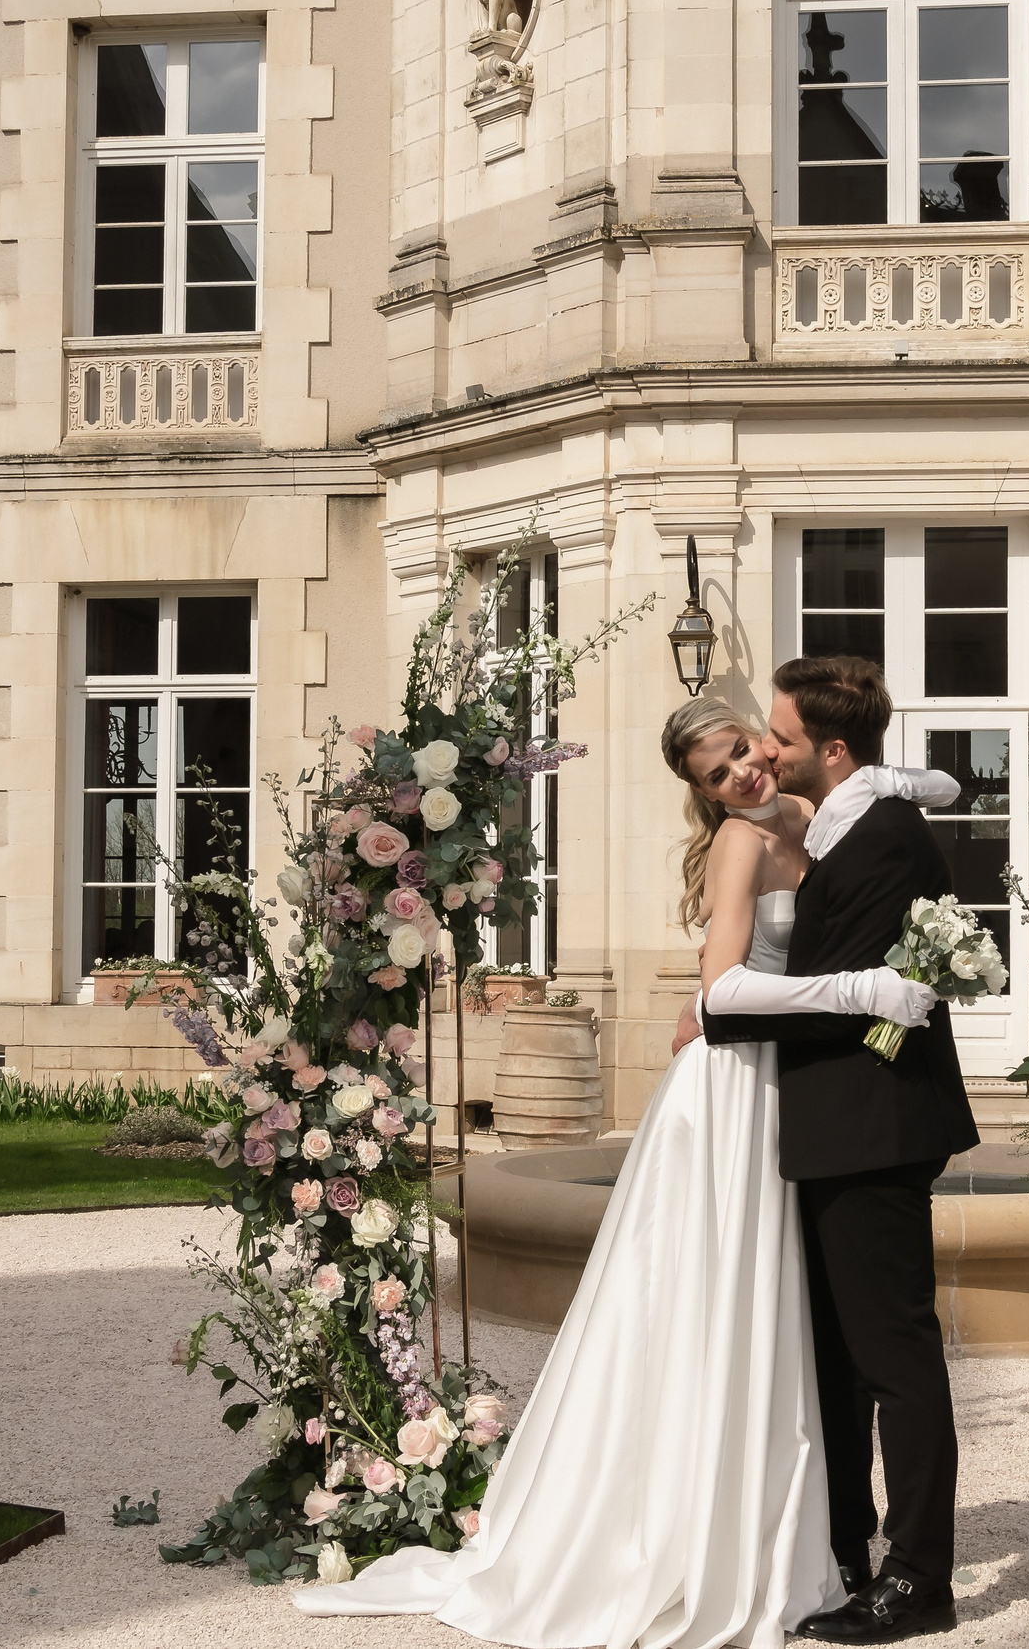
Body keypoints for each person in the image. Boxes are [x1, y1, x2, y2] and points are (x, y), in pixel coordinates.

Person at [292, 695, 957, 1649]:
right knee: (708, 1301)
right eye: (716, 773)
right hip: (735, 1089)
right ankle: (695, 1526)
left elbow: (889, 799)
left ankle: (814, 1534)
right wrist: (844, 993)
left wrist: (914, 779)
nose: (742, 774)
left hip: (803, 1092)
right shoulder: (739, 843)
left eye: (744, 749)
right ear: (702, 793)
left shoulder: (821, 814)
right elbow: (726, 989)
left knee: (791, 1319)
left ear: (772, 741)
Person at [697, 656, 982, 1644]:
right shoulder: (847, 817)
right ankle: (848, 1549)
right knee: (835, 1360)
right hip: (830, 1126)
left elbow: (831, 978)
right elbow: (893, 793)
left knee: (894, 1355)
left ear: (830, 747)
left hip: (874, 1125)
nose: (762, 750)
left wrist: (731, 1009)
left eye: (774, 735)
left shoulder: (884, 838)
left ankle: (918, 1576)